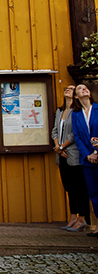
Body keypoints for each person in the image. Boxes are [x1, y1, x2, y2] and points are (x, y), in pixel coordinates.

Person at [52, 84, 90, 231]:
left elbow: (75, 134)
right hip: (61, 155)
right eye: (66, 88)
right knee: (69, 188)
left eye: (71, 89)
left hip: (73, 154)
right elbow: (55, 130)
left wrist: (62, 147)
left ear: (75, 95)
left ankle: (82, 218)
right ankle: (73, 217)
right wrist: (57, 146)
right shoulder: (60, 111)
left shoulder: (77, 112)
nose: (67, 90)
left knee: (79, 187)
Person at [71, 83, 98, 235]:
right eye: (80, 89)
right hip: (87, 160)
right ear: (76, 96)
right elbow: (77, 137)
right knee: (94, 193)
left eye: (85, 88)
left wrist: (96, 152)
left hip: (97, 155)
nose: (84, 89)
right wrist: (88, 155)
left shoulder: (97, 109)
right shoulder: (76, 114)